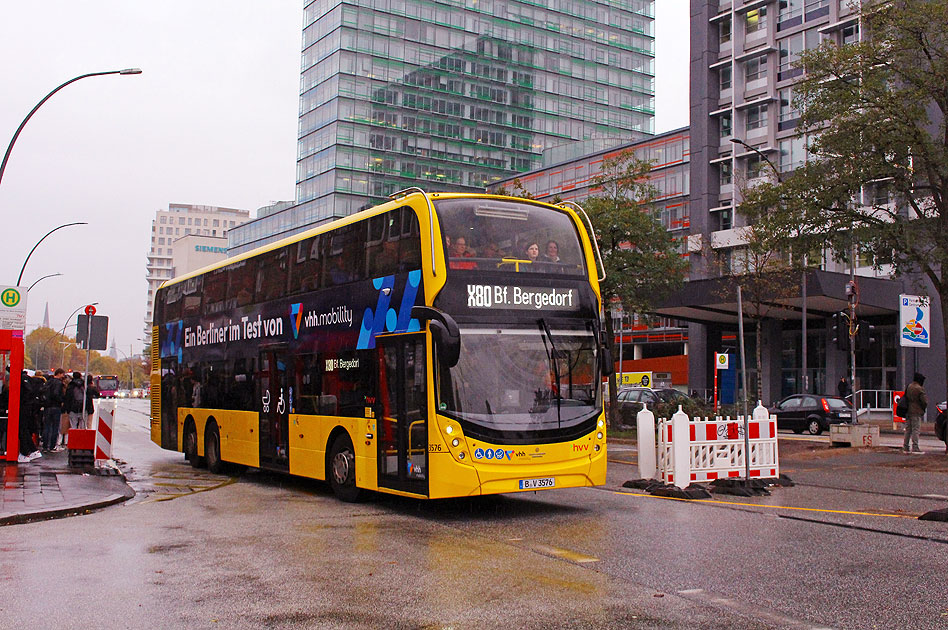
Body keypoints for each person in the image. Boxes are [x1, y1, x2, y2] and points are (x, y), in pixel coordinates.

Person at [903, 372, 928, 454]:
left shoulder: (909, 386)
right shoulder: (919, 389)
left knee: (908, 430)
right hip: (916, 411)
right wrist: (923, 408)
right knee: (915, 430)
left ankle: (905, 446)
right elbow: (924, 401)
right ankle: (915, 447)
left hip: (908, 411)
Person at [43, 368, 66, 451]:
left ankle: (45, 446)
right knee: (55, 427)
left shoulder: (48, 381)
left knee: (47, 426)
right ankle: (52, 446)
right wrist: (61, 400)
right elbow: (56, 394)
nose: (63, 376)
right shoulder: (58, 383)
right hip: (55, 406)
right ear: (59, 374)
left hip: (47, 406)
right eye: (63, 374)